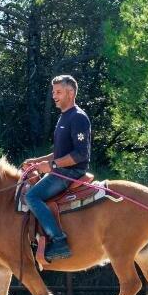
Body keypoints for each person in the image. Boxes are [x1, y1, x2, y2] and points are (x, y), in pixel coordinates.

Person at [23, 75, 91, 261]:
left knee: (32, 196)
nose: (54, 96)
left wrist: (51, 166)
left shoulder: (78, 118)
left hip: (71, 173)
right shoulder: (63, 117)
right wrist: (37, 161)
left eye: (58, 92)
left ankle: (59, 241)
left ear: (70, 93)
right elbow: (60, 153)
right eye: (53, 92)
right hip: (61, 170)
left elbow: (80, 154)